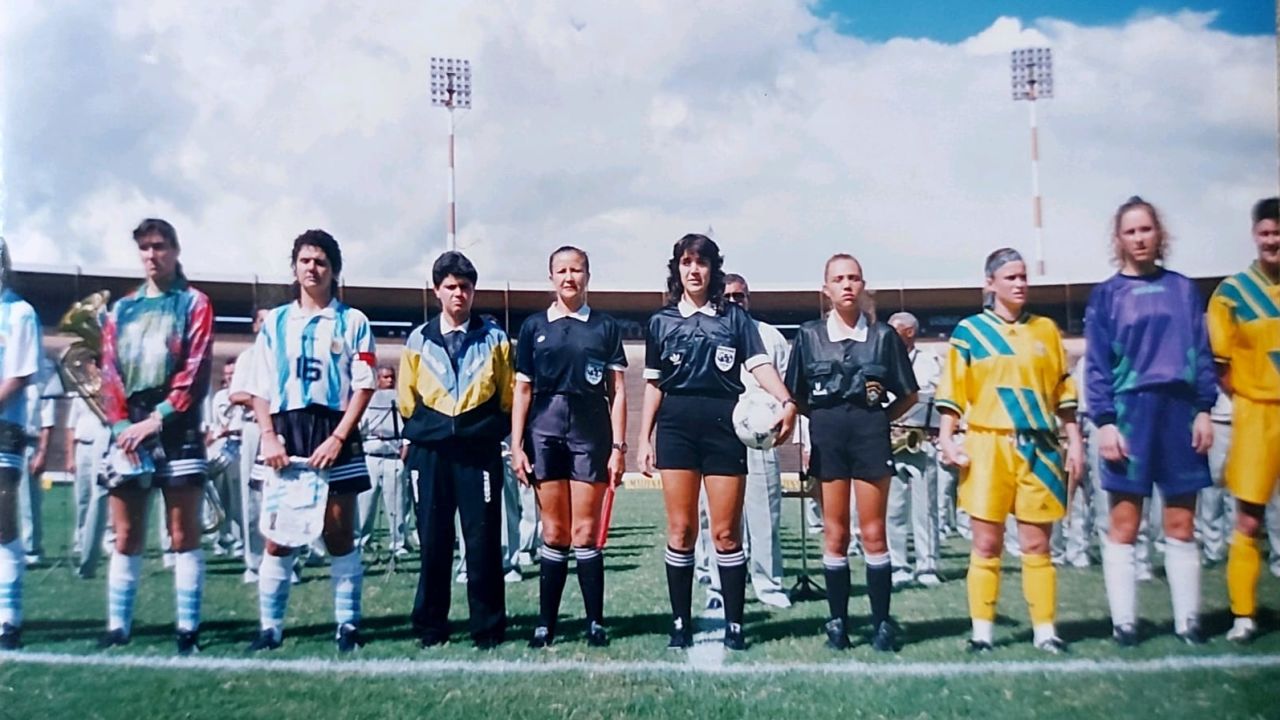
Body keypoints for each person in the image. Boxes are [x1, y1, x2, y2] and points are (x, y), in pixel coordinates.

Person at [637, 234, 797, 651]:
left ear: (713, 269)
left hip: (724, 426)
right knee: (682, 528)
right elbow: (653, 385)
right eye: (686, 262)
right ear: (677, 268)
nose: (694, 270)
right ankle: (679, 622)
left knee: (726, 533)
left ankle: (735, 624)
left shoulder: (734, 319)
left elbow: (759, 363)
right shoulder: (660, 322)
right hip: (676, 427)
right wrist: (643, 439)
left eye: (702, 263)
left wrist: (786, 399)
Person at [936, 247, 1083, 654]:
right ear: (990, 283)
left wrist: (1075, 441)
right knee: (986, 544)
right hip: (987, 445)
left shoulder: (1046, 331)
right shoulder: (970, 332)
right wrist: (948, 438)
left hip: (1039, 446)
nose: (1019, 284)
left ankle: (1045, 632)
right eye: (1011, 277)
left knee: (1037, 544)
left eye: (1023, 277)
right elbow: (953, 392)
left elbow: (1063, 392)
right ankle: (982, 633)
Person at [1086, 196, 1217, 647]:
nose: (1139, 238)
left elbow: (1201, 352)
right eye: (1130, 231)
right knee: (1125, 524)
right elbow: (1098, 365)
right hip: (1129, 414)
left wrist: (1203, 407)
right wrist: (1104, 421)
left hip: (1179, 412)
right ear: (1118, 239)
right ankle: (1125, 622)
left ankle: (1189, 623)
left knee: (1181, 524)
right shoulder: (1106, 296)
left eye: (1146, 230)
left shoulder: (1182, 289)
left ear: (1159, 234)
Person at [245, 229, 376, 653]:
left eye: (321, 261)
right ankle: (271, 629)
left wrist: (340, 437)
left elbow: (364, 385)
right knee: (278, 536)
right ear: (295, 267)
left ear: (334, 269)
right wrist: (268, 436)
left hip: (334, 431)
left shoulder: (352, 321)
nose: (312, 268)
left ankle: (347, 626)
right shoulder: (276, 322)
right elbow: (260, 386)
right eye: (305, 261)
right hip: (286, 431)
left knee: (338, 532)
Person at [787, 255, 918, 651]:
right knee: (835, 533)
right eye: (838, 279)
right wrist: (824, 421)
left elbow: (908, 394)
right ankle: (838, 622)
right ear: (825, 289)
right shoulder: (809, 336)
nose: (847, 285)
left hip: (869, 437)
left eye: (854, 278)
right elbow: (797, 395)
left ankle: (881, 624)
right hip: (828, 438)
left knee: (874, 534)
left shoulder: (883, 337)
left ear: (863, 285)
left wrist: (876, 420)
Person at [96, 219, 214, 655]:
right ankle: (117, 627)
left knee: (183, 533)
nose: (152, 255)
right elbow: (109, 371)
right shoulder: (121, 309)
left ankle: (187, 629)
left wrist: (159, 418)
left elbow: (197, 369)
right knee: (125, 534)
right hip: (128, 427)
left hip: (176, 427)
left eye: (160, 247)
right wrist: (121, 425)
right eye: (144, 248)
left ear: (176, 250)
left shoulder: (194, 303)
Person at [509, 246, 627, 648]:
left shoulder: (605, 326)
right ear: (551, 278)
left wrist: (618, 447)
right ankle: (547, 623)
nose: (568, 277)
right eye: (561, 270)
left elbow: (618, 391)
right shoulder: (533, 327)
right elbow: (522, 390)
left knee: (585, 531)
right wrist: (517, 445)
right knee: (555, 531)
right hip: (544, 432)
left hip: (590, 433)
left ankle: (595, 621)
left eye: (576, 270)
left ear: (588, 276)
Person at [399, 251, 514, 650]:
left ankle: (487, 627)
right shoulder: (418, 339)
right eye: (450, 287)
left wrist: (483, 429)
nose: (458, 294)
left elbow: (507, 394)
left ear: (473, 290)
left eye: (465, 287)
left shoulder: (495, 338)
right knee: (433, 539)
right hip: (429, 454)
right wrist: (428, 430)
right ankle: (430, 625)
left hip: (478, 452)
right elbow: (406, 398)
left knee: (482, 540)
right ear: (437, 291)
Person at [695, 273, 793, 610]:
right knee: (717, 517)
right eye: (729, 296)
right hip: (718, 434)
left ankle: (768, 584)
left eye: (741, 296)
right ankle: (717, 587)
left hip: (760, 439)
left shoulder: (771, 337)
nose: (735, 302)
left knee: (765, 513)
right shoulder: (706, 329)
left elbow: (786, 387)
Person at [1209, 196, 1280, 644]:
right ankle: (1244, 614)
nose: (1274, 241)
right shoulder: (1232, 293)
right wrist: (1254, 392)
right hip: (1257, 413)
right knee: (1249, 518)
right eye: (1267, 233)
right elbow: (1220, 363)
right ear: (1255, 235)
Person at [0, 237, 42, 650]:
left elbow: (20, 374)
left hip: (3, 428)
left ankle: (8, 619)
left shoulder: (19, 313)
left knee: (2, 523)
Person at [885, 311, 943, 588]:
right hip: (891, 443)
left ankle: (927, 564)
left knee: (925, 508)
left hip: (921, 443)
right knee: (893, 508)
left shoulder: (930, 362)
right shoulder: (881, 362)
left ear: (909, 332)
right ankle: (899, 565)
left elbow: (939, 398)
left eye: (895, 330)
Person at [229, 308, 268, 583]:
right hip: (255, 428)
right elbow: (236, 394)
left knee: (284, 497)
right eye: (262, 321)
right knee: (252, 497)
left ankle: (291, 562)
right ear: (255, 326)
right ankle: (254, 563)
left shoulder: (286, 353)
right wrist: (263, 402)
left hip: (283, 428)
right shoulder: (248, 357)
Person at [65, 356, 112, 579]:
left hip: (102, 441)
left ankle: (90, 557)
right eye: (94, 363)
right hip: (83, 445)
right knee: (83, 498)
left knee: (98, 497)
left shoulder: (111, 386)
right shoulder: (81, 389)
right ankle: (81, 543)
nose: (96, 368)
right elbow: (70, 425)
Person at [357, 366, 411, 559]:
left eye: (391, 377)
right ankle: (363, 541)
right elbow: (360, 427)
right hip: (371, 456)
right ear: (377, 379)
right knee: (366, 503)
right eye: (385, 377)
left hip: (393, 457)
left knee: (396, 504)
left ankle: (398, 543)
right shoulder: (369, 401)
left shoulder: (400, 399)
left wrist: (405, 447)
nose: (389, 380)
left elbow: (407, 428)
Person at [18, 359, 58, 567]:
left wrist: (42, 452)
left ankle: (31, 549)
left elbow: (47, 421)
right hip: (5, 439)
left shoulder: (44, 377)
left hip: (29, 442)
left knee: (28, 501)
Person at [204, 359, 245, 558]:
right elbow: (213, 425)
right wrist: (211, 437)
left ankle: (240, 542)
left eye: (233, 373)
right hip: (220, 451)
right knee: (219, 499)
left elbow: (243, 426)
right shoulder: (219, 397)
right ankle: (222, 538)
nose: (229, 377)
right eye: (227, 374)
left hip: (239, 451)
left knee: (238, 500)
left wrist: (226, 431)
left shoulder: (246, 395)